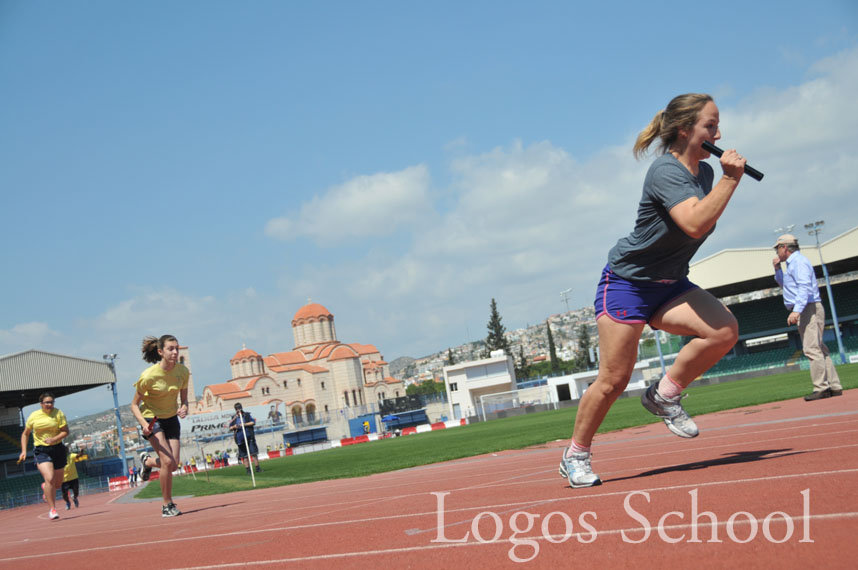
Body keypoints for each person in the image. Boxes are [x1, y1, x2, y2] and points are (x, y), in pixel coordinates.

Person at [561, 93, 746, 488]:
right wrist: (731, 179)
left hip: (669, 283)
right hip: (628, 284)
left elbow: (698, 221)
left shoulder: (705, 175)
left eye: (717, 125)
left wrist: (722, 180)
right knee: (613, 379)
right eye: (710, 126)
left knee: (723, 330)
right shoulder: (665, 171)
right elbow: (694, 224)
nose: (718, 133)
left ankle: (664, 395)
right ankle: (575, 453)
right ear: (685, 130)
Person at [772, 234, 843, 400]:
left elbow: (804, 288)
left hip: (808, 307)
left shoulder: (798, 262)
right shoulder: (791, 264)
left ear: (784, 248)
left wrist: (797, 310)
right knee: (819, 348)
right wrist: (777, 270)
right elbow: (787, 286)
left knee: (811, 348)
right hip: (807, 307)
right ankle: (834, 385)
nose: (776, 252)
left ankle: (821, 387)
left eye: (777, 248)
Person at [131, 334, 190, 517]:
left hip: (171, 419)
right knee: (166, 461)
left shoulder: (182, 372)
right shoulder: (149, 376)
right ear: (160, 351)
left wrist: (184, 407)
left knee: (173, 465)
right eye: (170, 349)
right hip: (152, 419)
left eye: (176, 348)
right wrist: (144, 424)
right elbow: (133, 405)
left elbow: (184, 398)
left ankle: (147, 461)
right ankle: (167, 505)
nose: (174, 352)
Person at [20, 392, 69, 520]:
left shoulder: (58, 413)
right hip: (41, 450)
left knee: (57, 484)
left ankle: (45, 486)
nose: (49, 405)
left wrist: (54, 439)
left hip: (57, 448)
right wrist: (24, 451)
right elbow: (25, 434)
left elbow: (65, 432)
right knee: (50, 477)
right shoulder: (34, 416)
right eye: (47, 402)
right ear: (41, 404)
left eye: (51, 402)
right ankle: (52, 509)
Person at [229, 403, 261, 473]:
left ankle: (257, 468)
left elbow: (253, 422)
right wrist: (234, 426)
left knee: (254, 453)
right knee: (245, 456)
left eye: (239, 408)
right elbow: (230, 427)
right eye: (237, 409)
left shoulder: (247, 415)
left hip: (249, 437)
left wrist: (244, 424)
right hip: (240, 439)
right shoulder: (234, 418)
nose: (238, 410)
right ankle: (248, 470)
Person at [61, 445, 81, 509]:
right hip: (64, 480)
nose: (66, 450)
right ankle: (67, 502)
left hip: (74, 478)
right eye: (65, 449)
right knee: (64, 495)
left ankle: (74, 498)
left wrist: (81, 451)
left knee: (76, 492)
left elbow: (78, 455)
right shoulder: (59, 458)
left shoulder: (71, 456)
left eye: (66, 449)